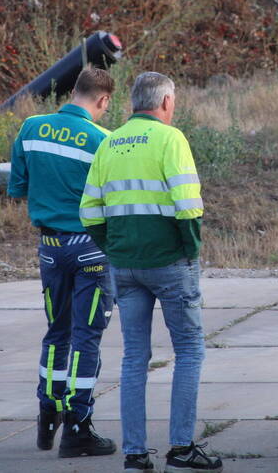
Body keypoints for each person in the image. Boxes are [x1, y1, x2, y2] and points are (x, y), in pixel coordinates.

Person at [80, 72, 222, 473]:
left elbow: (89, 212)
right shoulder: (170, 139)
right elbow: (189, 206)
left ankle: (135, 455)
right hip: (170, 263)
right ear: (163, 103)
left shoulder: (109, 142)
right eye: (172, 101)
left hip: (124, 266)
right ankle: (180, 449)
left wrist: (115, 249)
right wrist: (189, 251)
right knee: (190, 351)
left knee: (134, 357)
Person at [7, 65, 118, 458]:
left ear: (74, 91)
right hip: (90, 247)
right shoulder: (104, 140)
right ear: (102, 100)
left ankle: (47, 414)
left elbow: (17, 188)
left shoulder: (31, 128)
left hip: (50, 248)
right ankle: (78, 428)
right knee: (87, 338)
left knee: (57, 333)